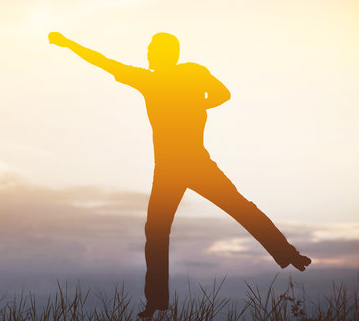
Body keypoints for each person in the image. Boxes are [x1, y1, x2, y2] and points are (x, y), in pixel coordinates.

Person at [48, 31, 311, 319]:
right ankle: (288, 255)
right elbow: (223, 94)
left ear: (164, 53)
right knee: (229, 212)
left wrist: (68, 43)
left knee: (163, 231)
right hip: (190, 165)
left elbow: (103, 62)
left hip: (177, 167)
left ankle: (156, 302)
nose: (147, 54)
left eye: (151, 49)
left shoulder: (154, 79)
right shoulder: (190, 73)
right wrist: (199, 104)